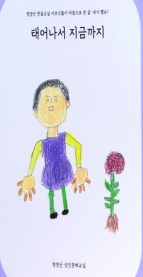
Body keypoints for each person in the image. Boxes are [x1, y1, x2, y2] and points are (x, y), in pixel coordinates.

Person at [17, 79, 90, 218]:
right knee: (51, 189)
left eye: (55, 99)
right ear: (36, 112)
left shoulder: (64, 137)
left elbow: (78, 146)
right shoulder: (41, 144)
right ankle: (52, 210)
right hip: (50, 170)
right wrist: (29, 175)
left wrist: (79, 167)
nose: (51, 105)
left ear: (66, 104)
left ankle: (65, 206)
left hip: (63, 167)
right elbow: (33, 159)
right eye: (46, 100)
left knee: (63, 187)